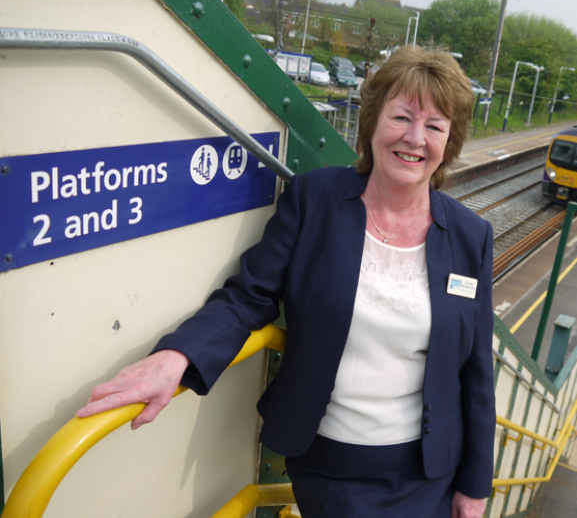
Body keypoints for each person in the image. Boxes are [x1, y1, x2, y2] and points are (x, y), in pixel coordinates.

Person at [78, 45, 495, 518]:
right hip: (332, 466)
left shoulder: (470, 237)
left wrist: (474, 487)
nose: (415, 138)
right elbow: (247, 296)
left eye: (435, 126)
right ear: (373, 124)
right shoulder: (314, 201)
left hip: (430, 472)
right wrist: (176, 356)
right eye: (401, 117)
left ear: (449, 142)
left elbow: (476, 370)